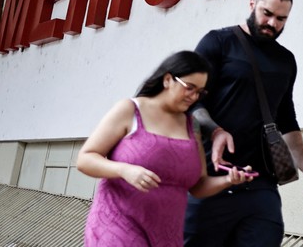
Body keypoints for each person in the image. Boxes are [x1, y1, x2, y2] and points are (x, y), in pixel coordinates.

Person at [183, 0, 303, 247]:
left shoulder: (286, 61)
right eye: (266, 13)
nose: (272, 23)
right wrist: (215, 130)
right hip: (211, 178)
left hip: (260, 185)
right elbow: (189, 100)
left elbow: (286, 119)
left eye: (281, 19)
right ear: (252, 4)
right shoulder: (218, 42)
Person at [78, 51, 253, 247]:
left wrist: (229, 180)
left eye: (200, 92)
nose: (194, 96)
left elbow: (198, 185)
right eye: (190, 88)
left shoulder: (192, 125)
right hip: (118, 225)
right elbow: (85, 159)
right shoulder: (129, 109)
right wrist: (124, 170)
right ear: (168, 79)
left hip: (166, 234)